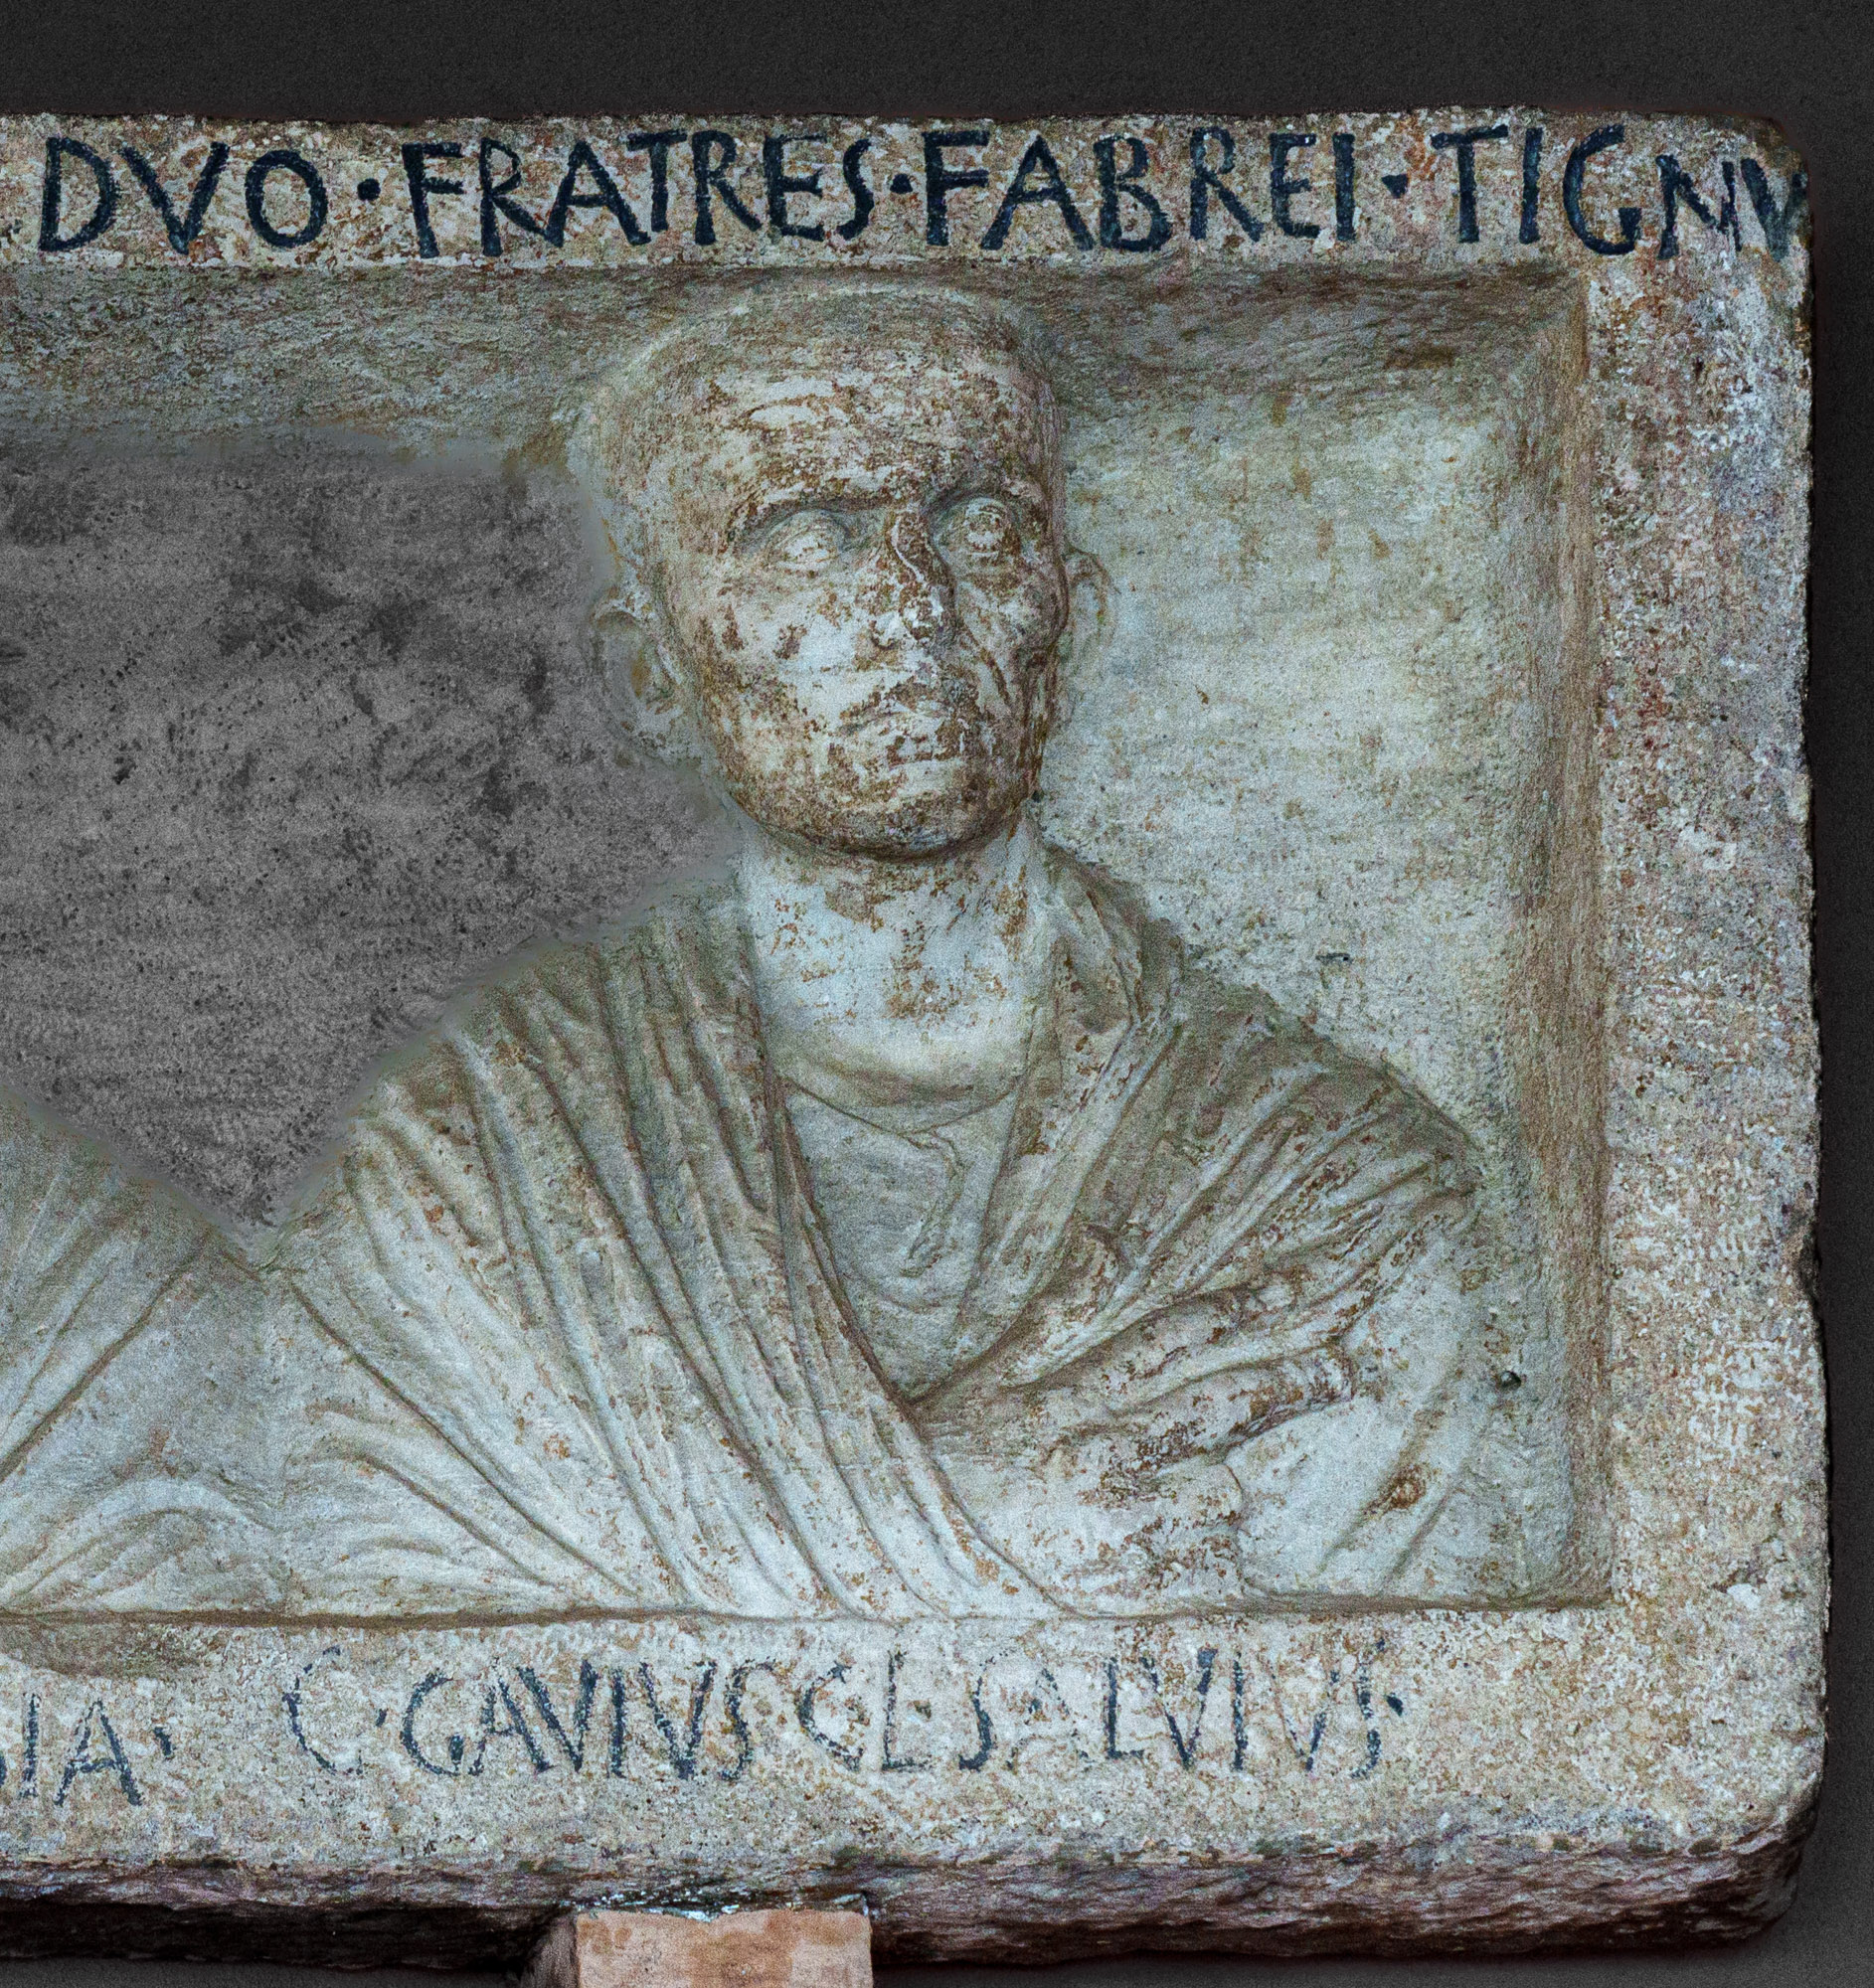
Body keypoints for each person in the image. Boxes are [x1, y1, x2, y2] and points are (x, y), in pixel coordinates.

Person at [0, 287, 1567, 1619]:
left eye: (978, 527)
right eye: (805, 540)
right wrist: (975, 1534)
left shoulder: (1340, 1192)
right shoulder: (483, 1165)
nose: (908, 609)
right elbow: (385, 1631)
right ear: (656, 675)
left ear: (1070, 621)